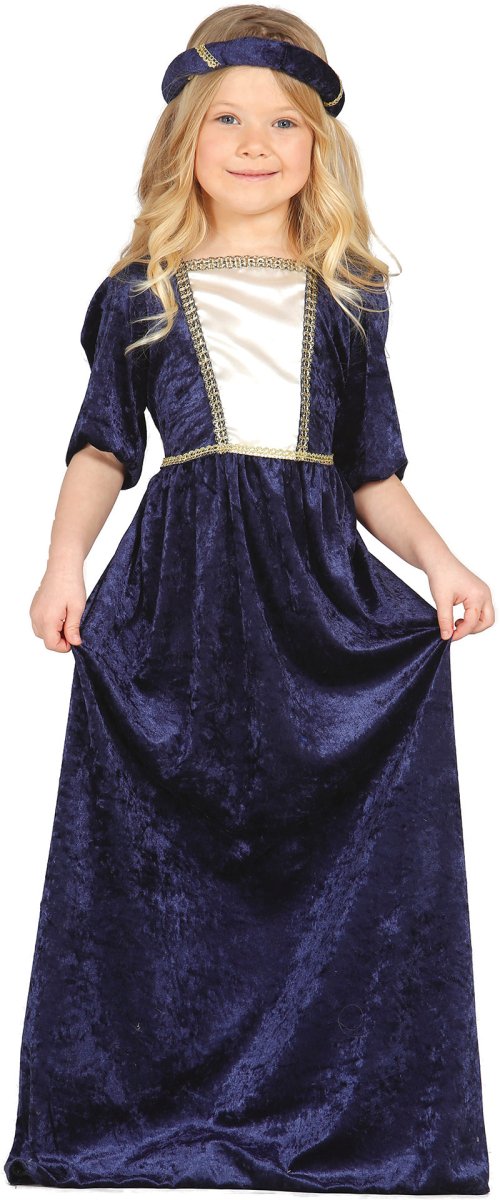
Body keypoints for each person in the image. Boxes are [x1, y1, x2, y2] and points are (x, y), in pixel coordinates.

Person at [4, 5, 493, 1193]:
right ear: (184, 143)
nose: (254, 143)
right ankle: (152, 1107)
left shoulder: (350, 296)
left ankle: (342, 1117)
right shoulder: (143, 291)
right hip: (178, 605)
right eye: (225, 120)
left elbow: (369, 473)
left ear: (319, 147)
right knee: (165, 851)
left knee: (326, 848)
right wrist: (64, 562)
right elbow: (102, 448)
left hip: (315, 603)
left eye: (282, 123)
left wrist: (439, 562)